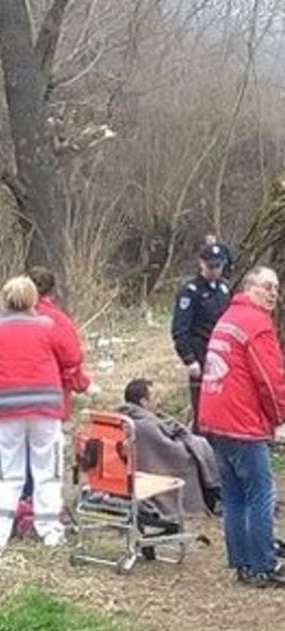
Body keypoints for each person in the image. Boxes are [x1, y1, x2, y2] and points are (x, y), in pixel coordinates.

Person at [0, 275, 83, 549]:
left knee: (7, 471)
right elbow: (72, 358)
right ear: (34, 299)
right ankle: (50, 529)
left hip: (5, 408)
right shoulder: (48, 326)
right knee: (47, 468)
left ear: (5, 299)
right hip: (45, 405)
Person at [198, 266, 285, 587]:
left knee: (234, 496)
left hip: (215, 417)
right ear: (249, 288)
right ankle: (264, 564)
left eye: (276, 287)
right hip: (241, 420)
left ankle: (242, 562)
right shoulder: (257, 325)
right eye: (266, 287)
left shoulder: (228, 318)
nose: (273, 293)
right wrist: (279, 418)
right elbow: (269, 380)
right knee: (261, 493)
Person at [20, 267, 92, 501]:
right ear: (52, 290)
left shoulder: (6, 318)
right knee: (45, 451)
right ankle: (43, 507)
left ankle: (22, 499)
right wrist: (81, 383)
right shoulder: (57, 320)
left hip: (11, 396)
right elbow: (72, 358)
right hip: (49, 394)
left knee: (17, 450)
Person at [117, 378, 220, 519]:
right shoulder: (144, 426)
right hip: (150, 476)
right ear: (143, 402)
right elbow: (171, 452)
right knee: (198, 453)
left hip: (128, 477)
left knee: (199, 446)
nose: (159, 402)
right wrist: (194, 445)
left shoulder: (124, 419)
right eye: (155, 397)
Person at [171, 243, 231, 431]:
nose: (215, 271)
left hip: (223, 354)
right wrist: (189, 359)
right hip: (201, 352)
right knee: (202, 406)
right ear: (202, 264)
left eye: (219, 266)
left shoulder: (224, 288)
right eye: (211, 266)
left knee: (223, 402)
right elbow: (180, 328)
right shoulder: (191, 291)